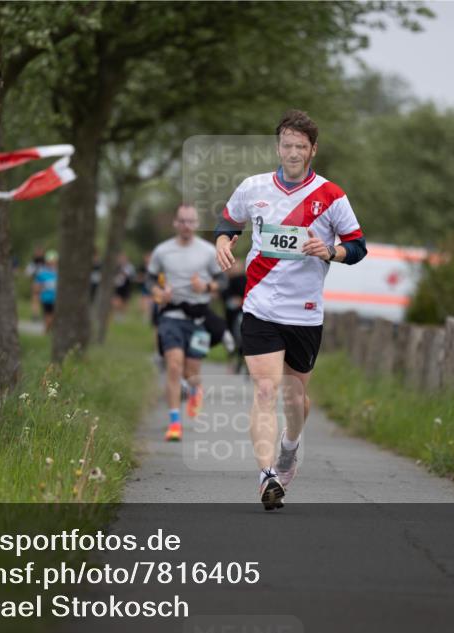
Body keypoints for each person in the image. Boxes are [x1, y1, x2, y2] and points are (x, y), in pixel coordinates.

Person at [215, 109, 368, 511]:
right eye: (287, 145)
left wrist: (330, 250)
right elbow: (229, 221)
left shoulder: (332, 196)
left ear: (313, 150)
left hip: (305, 312)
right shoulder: (254, 186)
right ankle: (267, 476)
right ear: (278, 146)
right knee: (265, 390)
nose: (294, 152)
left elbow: (358, 247)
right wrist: (224, 241)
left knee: (295, 398)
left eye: (302, 146)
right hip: (261, 305)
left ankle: (290, 447)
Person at [148, 203, 228, 441]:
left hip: (199, 318)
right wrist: (158, 292)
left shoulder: (207, 251)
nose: (186, 225)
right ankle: (174, 423)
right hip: (171, 316)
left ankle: (195, 390)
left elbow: (222, 282)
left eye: (190, 221)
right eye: (181, 221)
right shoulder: (162, 251)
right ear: (175, 223)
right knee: (174, 365)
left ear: (196, 224)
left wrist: (206, 286)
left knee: (192, 370)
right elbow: (149, 279)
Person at [34, 250, 59, 334]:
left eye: (54, 261)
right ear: (47, 262)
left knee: (53, 316)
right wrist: (38, 293)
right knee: (47, 315)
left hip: (56, 299)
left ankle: (47, 330)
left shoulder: (59, 273)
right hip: (46, 298)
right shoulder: (42, 273)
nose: (52, 263)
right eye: (50, 261)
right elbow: (37, 286)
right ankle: (46, 330)